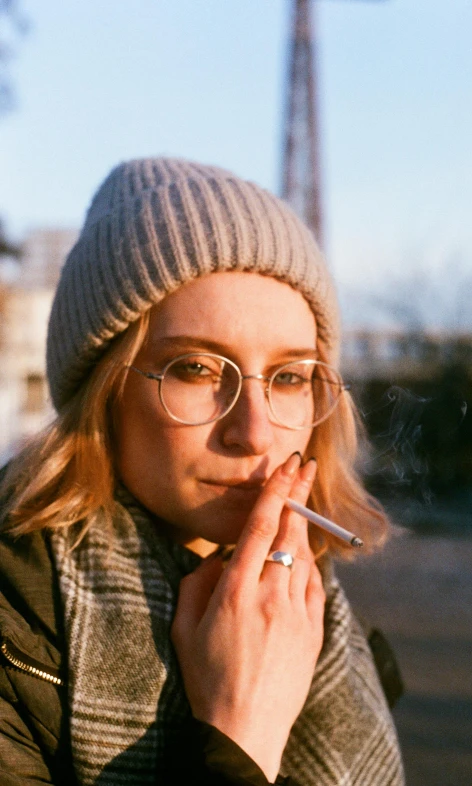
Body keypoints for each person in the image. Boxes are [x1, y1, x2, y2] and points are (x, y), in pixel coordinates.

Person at [0, 158, 404, 786]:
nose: (255, 432)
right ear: (103, 390)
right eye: (196, 369)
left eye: (290, 377)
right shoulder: (16, 629)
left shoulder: (314, 617)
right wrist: (241, 732)